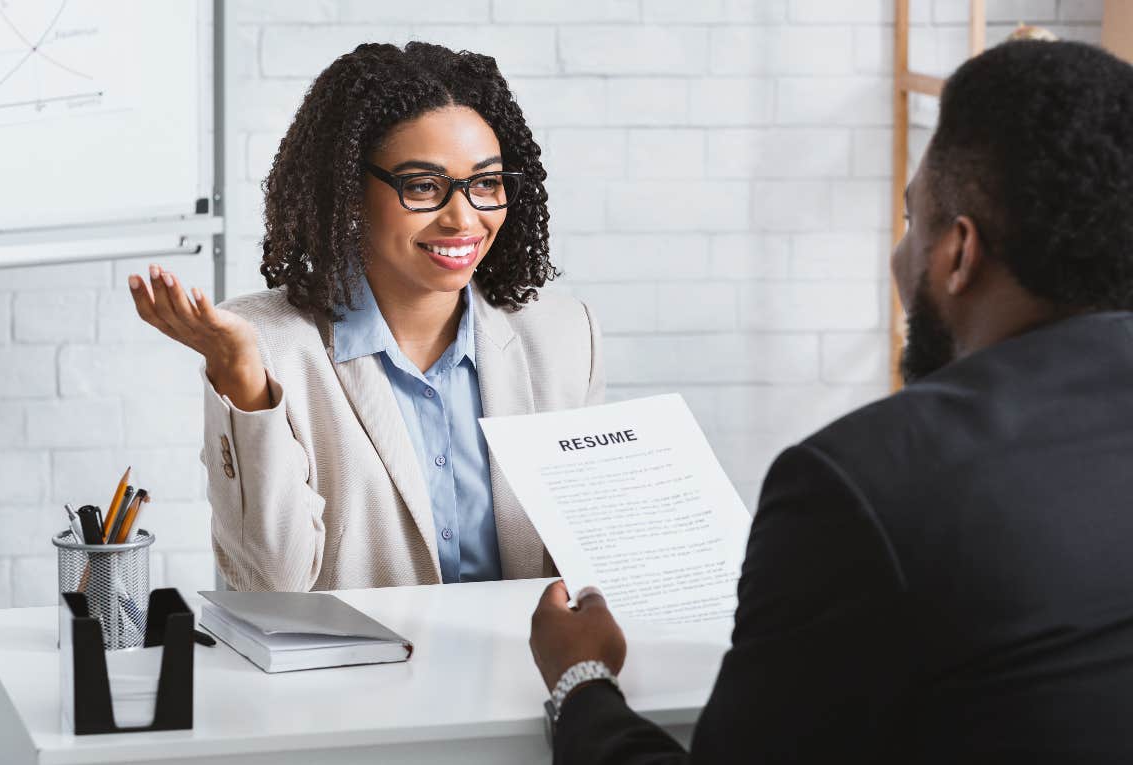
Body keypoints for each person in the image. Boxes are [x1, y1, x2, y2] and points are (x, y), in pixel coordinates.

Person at [528, 40, 1133, 764]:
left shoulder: (859, 486)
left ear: (959, 254)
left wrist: (581, 678)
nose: (901, 257)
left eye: (915, 223)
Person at [128, 42, 603, 592]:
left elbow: (589, 558)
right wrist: (240, 377)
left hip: (527, 668)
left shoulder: (566, 335)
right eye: (423, 186)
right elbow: (272, 587)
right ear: (348, 191)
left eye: (486, 183)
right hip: (358, 676)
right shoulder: (268, 347)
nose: (463, 217)